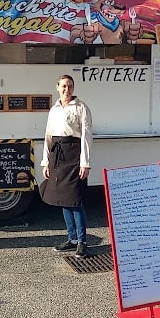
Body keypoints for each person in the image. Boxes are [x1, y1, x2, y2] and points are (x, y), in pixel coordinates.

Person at [40, 74, 93, 258]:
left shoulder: (81, 107)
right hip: (57, 156)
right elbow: (48, 135)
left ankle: (82, 242)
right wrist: (46, 161)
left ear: (73, 88)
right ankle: (71, 239)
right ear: (57, 87)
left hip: (73, 156)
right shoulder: (54, 109)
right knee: (63, 200)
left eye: (70, 86)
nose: (66, 89)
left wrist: (85, 163)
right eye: (63, 86)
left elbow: (86, 136)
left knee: (76, 201)